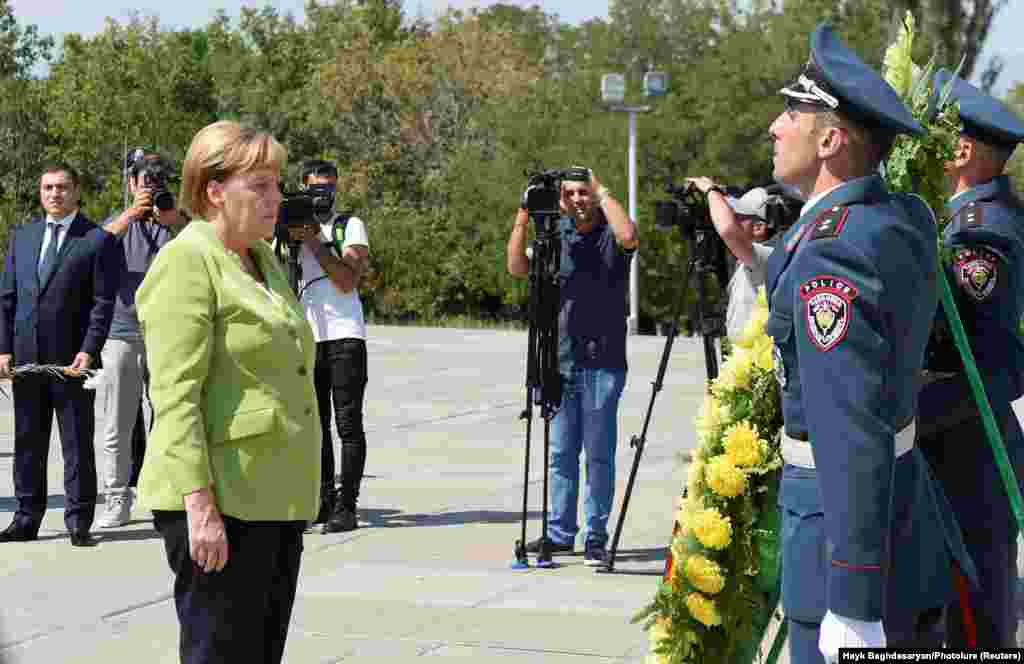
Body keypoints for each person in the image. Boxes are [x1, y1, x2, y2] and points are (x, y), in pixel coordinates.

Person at [764, 26, 975, 662]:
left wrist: (852, 599)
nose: (776, 126)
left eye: (793, 112)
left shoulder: (832, 250)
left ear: (830, 140)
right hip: (903, 517)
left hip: (842, 539)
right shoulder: (898, 215)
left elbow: (851, 425)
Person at [135, 121, 320, 663]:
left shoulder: (260, 259)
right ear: (215, 190)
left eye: (276, 185)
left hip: (272, 499)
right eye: (259, 186)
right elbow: (174, 396)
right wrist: (200, 508)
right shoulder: (187, 260)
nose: (275, 198)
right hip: (220, 503)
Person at [916, 68, 1024, 648]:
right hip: (959, 439)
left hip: (968, 445)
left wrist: (905, 415)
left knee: (976, 616)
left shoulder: (983, 232)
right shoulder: (967, 218)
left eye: (934, 138)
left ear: (959, 149)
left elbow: (985, 363)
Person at [506, 166, 639, 566]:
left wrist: (601, 189)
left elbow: (630, 235)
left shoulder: (608, 236)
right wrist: (523, 215)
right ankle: (561, 533)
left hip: (602, 363)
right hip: (560, 363)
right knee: (561, 454)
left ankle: (596, 534)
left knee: (598, 455)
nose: (577, 200)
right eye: (571, 194)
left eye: (583, 193)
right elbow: (516, 267)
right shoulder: (555, 238)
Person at [0, 163, 118, 547]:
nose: (55, 194)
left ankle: (78, 521)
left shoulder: (96, 240)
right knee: (27, 441)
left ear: (76, 191)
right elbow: (7, 299)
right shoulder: (22, 237)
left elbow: (102, 304)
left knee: (76, 443)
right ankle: (25, 517)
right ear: (41, 192)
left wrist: (89, 349)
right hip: (26, 360)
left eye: (63, 187)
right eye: (48, 187)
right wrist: (3, 348)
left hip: (72, 363)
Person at [96, 150, 189, 528]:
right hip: (122, 332)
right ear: (131, 183)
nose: (150, 187)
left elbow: (211, 242)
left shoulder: (178, 223)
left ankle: (164, 497)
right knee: (117, 421)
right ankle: (117, 499)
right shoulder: (117, 222)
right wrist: (132, 214)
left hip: (169, 331)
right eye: (143, 180)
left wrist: (175, 221)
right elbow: (92, 250)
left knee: (171, 417)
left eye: (157, 181)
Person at [288, 159, 370, 533]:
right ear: (303, 188)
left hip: (345, 335)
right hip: (306, 336)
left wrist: (314, 241)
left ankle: (346, 505)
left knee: (347, 424)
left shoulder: (347, 226)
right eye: (316, 189)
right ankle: (320, 500)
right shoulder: (289, 227)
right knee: (314, 424)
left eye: (329, 188)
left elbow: (347, 280)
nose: (324, 195)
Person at [685, 182, 777, 340]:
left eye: (738, 217)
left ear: (759, 227)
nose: (731, 218)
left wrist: (711, 190)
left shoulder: (768, 256)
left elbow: (728, 231)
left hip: (756, 358)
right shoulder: (744, 260)